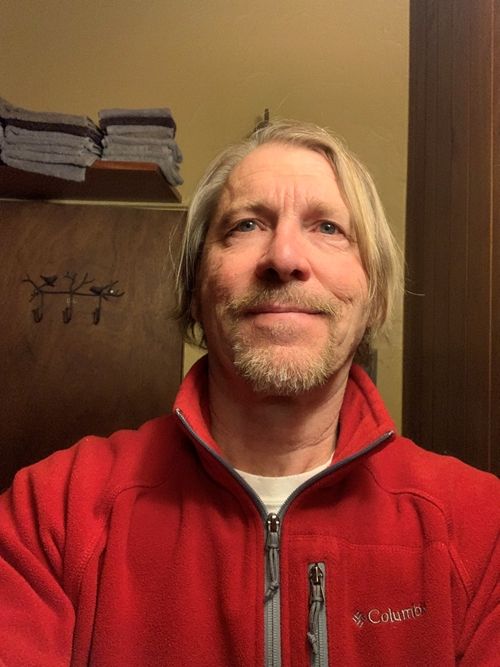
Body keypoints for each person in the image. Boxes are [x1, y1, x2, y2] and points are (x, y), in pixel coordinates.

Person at [0, 120, 498, 667]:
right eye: (246, 225)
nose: (283, 257)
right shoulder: (51, 513)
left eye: (328, 227)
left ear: (374, 296)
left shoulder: (483, 530)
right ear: (195, 290)